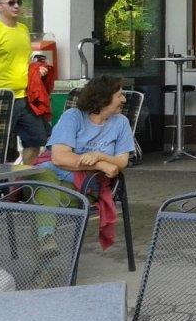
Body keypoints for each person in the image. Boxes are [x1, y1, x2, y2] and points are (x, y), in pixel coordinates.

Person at [28, 75, 133, 254]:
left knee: (40, 194)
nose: (123, 99)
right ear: (103, 98)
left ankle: (45, 243)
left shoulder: (121, 122)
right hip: (54, 177)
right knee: (43, 177)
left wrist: (98, 156)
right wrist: (100, 165)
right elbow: (59, 158)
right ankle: (46, 243)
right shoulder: (73, 117)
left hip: (86, 187)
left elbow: (121, 162)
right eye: (119, 95)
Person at [0, 0, 48, 164]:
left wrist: (36, 70)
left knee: (37, 138)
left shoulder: (23, 29)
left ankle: (22, 178)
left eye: (18, 2)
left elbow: (23, 60)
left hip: (24, 96)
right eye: (11, 3)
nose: (16, 6)